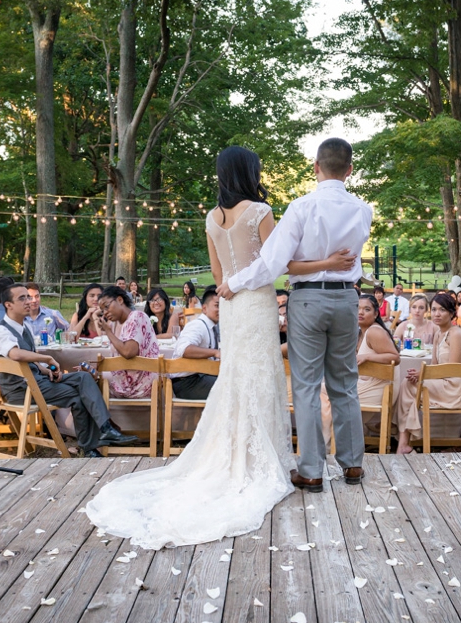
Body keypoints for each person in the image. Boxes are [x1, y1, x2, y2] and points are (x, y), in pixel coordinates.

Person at [85, 142, 356, 549]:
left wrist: (231, 283)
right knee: (261, 374)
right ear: (250, 172)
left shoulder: (212, 217)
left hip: (230, 303)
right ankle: (261, 457)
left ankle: (236, 454)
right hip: (257, 301)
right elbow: (275, 263)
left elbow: (216, 272)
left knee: (237, 374)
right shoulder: (261, 213)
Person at [223, 137, 371, 491]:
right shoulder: (363, 209)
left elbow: (272, 262)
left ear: (315, 167)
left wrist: (235, 283)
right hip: (347, 299)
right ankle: (352, 465)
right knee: (345, 383)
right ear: (349, 170)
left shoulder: (301, 207)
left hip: (307, 300)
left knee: (306, 386)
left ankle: (312, 470)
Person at [0, 283, 132, 457]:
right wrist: (46, 358)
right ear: (8, 305)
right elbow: (16, 354)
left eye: (28, 296)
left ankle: (106, 428)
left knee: (84, 378)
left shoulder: (23, 327)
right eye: (22, 298)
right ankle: (90, 447)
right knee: (77, 397)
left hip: (36, 382)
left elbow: (27, 363)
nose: (28, 301)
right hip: (21, 390)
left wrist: (45, 370)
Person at [394, 293, 461, 454]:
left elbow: (452, 368)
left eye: (442, 310)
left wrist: (423, 374)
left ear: (452, 313)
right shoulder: (439, 333)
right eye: (434, 310)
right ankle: (404, 443)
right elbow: (435, 365)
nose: (437, 314)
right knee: (407, 383)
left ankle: (405, 439)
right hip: (444, 380)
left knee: (408, 387)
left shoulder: (456, 333)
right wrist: (420, 375)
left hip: (457, 385)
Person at [320, 294, 400, 447]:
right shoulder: (360, 332)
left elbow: (395, 358)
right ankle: (335, 441)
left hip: (380, 389)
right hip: (365, 383)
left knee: (325, 391)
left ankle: (328, 443)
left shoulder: (374, 331)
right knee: (326, 388)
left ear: (376, 314)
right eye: (357, 308)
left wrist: (367, 357)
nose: (360, 312)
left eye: (367, 309)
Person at [88, 286, 160, 399]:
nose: (105, 313)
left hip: (141, 382)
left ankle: (99, 416)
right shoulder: (115, 324)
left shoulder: (137, 317)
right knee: (86, 378)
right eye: (103, 311)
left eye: (107, 307)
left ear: (120, 300)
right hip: (126, 380)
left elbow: (128, 352)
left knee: (87, 383)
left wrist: (108, 332)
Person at [169, 286, 221, 400]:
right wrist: (214, 352)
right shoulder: (198, 325)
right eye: (217, 305)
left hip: (201, 377)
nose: (221, 309)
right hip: (187, 383)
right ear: (204, 308)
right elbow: (184, 349)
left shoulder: (213, 326)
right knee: (231, 386)